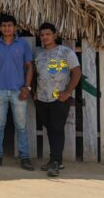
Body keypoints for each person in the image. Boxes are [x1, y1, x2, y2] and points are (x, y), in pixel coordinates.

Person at [0, 15, 35, 171]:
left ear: (15, 27)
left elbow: (29, 66)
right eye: (4, 25)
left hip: (18, 91)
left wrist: (27, 87)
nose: (7, 28)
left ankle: (24, 157)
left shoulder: (23, 44)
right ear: (0, 28)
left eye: (9, 25)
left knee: (21, 126)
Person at [34, 22, 81, 177]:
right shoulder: (38, 54)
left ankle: (56, 161)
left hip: (59, 98)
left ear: (55, 35)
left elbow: (76, 73)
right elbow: (34, 74)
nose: (45, 37)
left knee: (57, 129)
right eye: (42, 35)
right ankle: (55, 160)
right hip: (42, 98)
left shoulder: (65, 52)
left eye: (48, 34)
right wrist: (34, 92)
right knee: (49, 128)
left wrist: (67, 92)